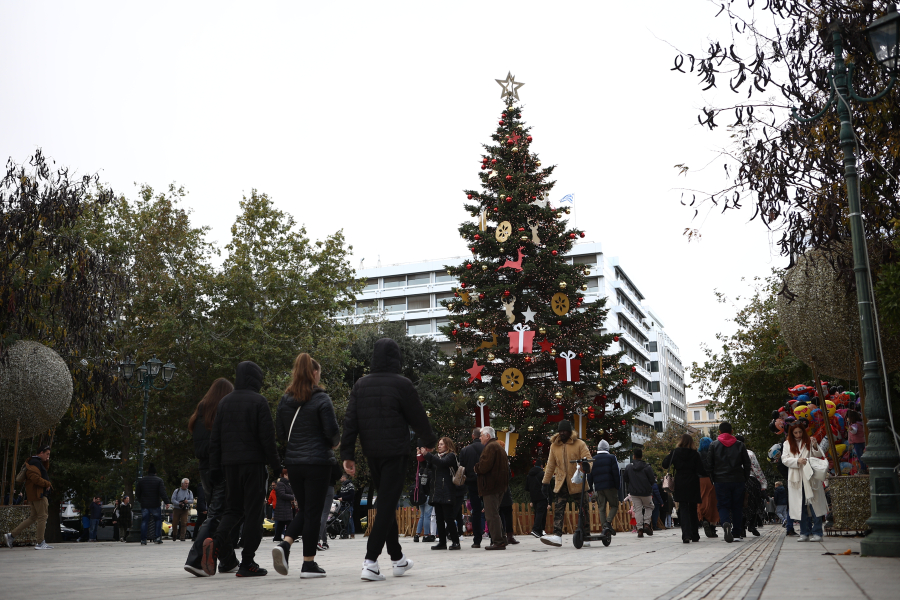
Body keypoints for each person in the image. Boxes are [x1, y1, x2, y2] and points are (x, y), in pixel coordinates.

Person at [341, 338, 437, 581]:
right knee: (385, 504)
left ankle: (397, 558)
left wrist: (348, 455)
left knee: (386, 503)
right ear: (396, 358)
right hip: (395, 452)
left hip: (371, 452)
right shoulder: (401, 384)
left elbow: (350, 421)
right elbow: (417, 416)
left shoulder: (360, 385)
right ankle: (370, 561)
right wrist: (429, 440)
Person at [205, 361, 282, 578]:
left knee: (233, 510)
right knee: (254, 514)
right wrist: (277, 466)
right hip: (253, 465)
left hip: (229, 466)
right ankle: (248, 562)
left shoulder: (224, 402)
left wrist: (215, 468)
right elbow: (268, 439)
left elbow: (215, 439)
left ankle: (215, 542)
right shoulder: (259, 401)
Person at [270, 353, 340, 578]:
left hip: (294, 464)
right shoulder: (321, 399)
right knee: (313, 511)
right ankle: (308, 563)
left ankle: (285, 545)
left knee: (306, 509)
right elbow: (332, 432)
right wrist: (335, 444)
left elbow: (281, 434)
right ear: (314, 373)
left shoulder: (284, 400)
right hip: (318, 463)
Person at [184, 378, 239, 577]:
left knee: (218, 514)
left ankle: (228, 560)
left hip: (204, 469)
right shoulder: (221, 415)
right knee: (217, 516)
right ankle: (196, 559)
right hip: (221, 468)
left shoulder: (200, 414)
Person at [540, 420, 592, 547]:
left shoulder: (579, 444)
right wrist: (545, 482)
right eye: (560, 431)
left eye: (565, 431)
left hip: (577, 482)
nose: (562, 433)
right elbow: (551, 465)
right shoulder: (554, 446)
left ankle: (586, 536)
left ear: (570, 432)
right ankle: (557, 536)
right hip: (561, 482)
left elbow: (588, 459)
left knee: (583, 509)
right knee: (558, 509)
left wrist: (586, 467)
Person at [781, 422, 828, 542]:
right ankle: (804, 532)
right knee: (800, 506)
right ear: (791, 433)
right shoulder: (787, 444)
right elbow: (784, 459)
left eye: (800, 432)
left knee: (814, 504)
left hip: (810, 476)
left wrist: (815, 445)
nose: (798, 434)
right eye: (795, 432)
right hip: (796, 478)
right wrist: (797, 461)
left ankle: (817, 532)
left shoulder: (809, 441)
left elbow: (818, 454)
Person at [706, 422, 751, 543]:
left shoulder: (713, 445)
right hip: (738, 479)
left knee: (722, 505)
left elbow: (709, 465)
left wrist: (712, 479)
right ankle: (736, 533)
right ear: (732, 431)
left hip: (720, 480)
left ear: (719, 432)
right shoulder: (740, 445)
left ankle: (725, 522)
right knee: (737, 506)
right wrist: (745, 477)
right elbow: (747, 464)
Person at [4, 445, 53, 550]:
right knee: (42, 517)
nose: (48, 456)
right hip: (38, 495)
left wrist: (46, 462)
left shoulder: (35, 462)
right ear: (41, 453)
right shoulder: (34, 463)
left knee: (33, 517)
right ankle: (40, 542)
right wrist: (47, 483)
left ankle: (11, 535)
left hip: (35, 494)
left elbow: (42, 472)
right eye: (47, 454)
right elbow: (35, 479)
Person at [662, 433, 705, 544]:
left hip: (680, 482)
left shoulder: (675, 452)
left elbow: (665, 464)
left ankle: (686, 534)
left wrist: (670, 455)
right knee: (693, 509)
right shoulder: (695, 454)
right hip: (693, 482)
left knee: (684, 508)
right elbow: (701, 470)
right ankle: (695, 534)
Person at [423, 437, 463, 551]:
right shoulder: (436, 457)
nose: (439, 446)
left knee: (449, 518)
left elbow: (441, 463)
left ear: (447, 445)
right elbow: (428, 466)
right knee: (439, 518)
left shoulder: (451, 456)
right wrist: (422, 457)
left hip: (447, 491)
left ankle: (455, 541)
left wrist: (428, 455)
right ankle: (442, 542)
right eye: (439, 444)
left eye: (441, 444)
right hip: (437, 491)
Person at [474, 426, 509, 550]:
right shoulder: (498, 446)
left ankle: (498, 541)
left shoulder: (490, 447)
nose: (480, 438)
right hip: (499, 485)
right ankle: (502, 539)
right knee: (495, 514)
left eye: (481, 435)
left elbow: (484, 466)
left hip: (490, 486)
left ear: (488, 436)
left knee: (491, 515)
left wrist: (476, 467)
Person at [458, 428, 485, 548]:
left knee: (476, 511)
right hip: (485, 482)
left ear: (473, 436)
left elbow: (461, 467)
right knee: (492, 509)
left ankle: (477, 540)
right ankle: (495, 537)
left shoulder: (465, 450)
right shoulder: (487, 448)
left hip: (471, 483)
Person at [587, 440, 620, 537]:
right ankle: (608, 522)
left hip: (598, 487)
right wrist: (617, 486)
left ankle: (605, 529)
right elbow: (616, 473)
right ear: (607, 448)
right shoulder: (611, 458)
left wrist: (590, 488)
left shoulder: (593, 459)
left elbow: (590, 475)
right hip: (610, 486)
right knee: (614, 505)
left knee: (601, 508)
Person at [624, 448, 656, 538]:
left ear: (633, 456)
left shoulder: (629, 467)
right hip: (646, 492)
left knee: (637, 509)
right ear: (642, 456)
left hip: (634, 492)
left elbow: (625, 478)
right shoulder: (647, 467)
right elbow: (652, 480)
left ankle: (639, 529)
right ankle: (646, 524)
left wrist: (632, 484)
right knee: (649, 506)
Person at [135, 463, 169, 545]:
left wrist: (141, 500)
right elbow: (162, 492)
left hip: (145, 504)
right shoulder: (159, 480)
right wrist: (166, 501)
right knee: (157, 520)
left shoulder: (142, 481)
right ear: (155, 473)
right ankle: (157, 537)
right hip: (155, 504)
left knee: (144, 521)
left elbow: (137, 493)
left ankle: (143, 539)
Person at [697, 437, 719, 538]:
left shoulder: (698, 454)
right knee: (713, 503)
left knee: (702, 500)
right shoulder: (714, 454)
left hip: (700, 480)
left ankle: (703, 518)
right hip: (712, 480)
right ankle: (712, 526)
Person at [412, 445, 434, 543]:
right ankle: (426, 535)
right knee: (427, 515)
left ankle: (417, 535)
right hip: (427, 494)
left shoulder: (419, 471)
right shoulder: (429, 471)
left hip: (420, 495)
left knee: (422, 515)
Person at [526, 459, 549, 538]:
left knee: (537, 513)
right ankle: (536, 529)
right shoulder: (543, 474)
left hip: (533, 497)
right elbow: (547, 486)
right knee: (541, 513)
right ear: (542, 466)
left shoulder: (529, 475)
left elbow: (527, 487)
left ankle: (539, 531)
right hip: (542, 496)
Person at [272, 470, 294, 543]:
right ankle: (289, 536)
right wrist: (292, 497)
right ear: (284, 475)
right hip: (283, 506)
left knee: (282, 523)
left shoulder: (287, 484)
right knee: (288, 522)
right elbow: (282, 494)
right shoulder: (281, 484)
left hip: (285, 506)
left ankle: (278, 537)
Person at [337, 474, 356, 538]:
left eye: (341, 478)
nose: (340, 479)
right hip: (343, 505)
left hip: (348, 505)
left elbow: (351, 495)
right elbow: (340, 495)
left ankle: (352, 533)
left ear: (344, 478)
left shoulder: (350, 485)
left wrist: (343, 498)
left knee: (349, 519)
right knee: (345, 520)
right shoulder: (343, 486)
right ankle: (346, 533)